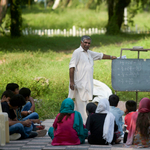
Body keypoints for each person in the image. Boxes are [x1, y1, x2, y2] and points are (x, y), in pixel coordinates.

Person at [68, 35, 117, 124]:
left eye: (89, 43)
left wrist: (111, 57)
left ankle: (82, 124)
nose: (87, 44)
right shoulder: (77, 52)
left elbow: (100, 55)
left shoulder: (89, 53)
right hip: (79, 84)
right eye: (85, 42)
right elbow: (71, 67)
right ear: (81, 42)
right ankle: (83, 125)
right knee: (81, 106)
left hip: (87, 85)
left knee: (86, 104)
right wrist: (71, 81)